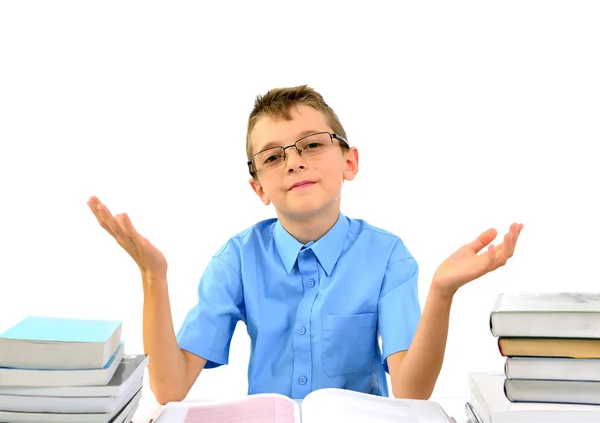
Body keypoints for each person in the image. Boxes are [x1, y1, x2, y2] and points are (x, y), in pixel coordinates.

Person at [87, 85, 523, 405]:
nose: (294, 161)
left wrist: (441, 293)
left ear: (349, 162)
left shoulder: (388, 255)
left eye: (312, 145)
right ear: (259, 187)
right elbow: (170, 387)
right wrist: (153, 275)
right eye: (273, 157)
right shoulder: (238, 258)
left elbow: (411, 391)